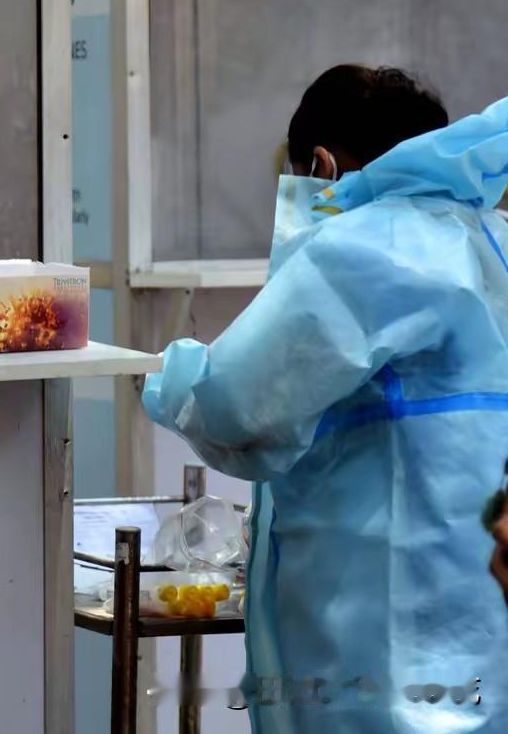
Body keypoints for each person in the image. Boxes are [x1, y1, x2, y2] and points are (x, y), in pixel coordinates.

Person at [140, 66, 508, 732]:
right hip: (481, 631)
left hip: (385, 655)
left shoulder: (367, 247)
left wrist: (165, 377)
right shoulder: (492, 242)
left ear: (322, 164)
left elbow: (236, 403)